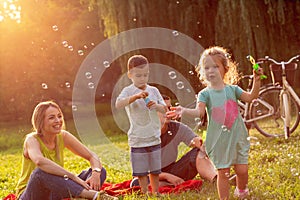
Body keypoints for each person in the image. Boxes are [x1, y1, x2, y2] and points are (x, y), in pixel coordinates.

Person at [167, 46, 263, 199]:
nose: (210, 70)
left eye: (215, 66)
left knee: (242, 170)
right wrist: (183, 110)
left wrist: (257, 81)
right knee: (223, 173)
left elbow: (251, 97)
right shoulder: (205, 94)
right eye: (206, 67)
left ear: (225, 69)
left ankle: (241, 190)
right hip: (219, 140)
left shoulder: (233, 89)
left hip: (237, 136)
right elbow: (199, 112)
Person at [16, 101, 117, 200]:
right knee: (40, 172)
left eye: (59, 116)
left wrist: (96, 172)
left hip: (54, 191)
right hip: (31, 194)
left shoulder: (63, 136)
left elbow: (92, 156)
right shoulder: (31, 139)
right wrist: (72, 177)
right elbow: (39, 161)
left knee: (100, 171)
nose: (58, 120)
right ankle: (93, 196)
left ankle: (82, 195)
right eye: (52, 117)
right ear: (40, 121)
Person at [115, 55, 167, 196]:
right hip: (137, 137)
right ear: (130, 75)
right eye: (138, 76)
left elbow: (165, 109)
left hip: (153, 135)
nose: (142, 79)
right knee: (141, 169)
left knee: (155, 168)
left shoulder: (154, 91)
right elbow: (118, 104)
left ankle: (155, 192)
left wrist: (156, 105)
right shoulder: (128, 91)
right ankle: (144, 192)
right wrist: (135, 97)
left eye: (145, 75)